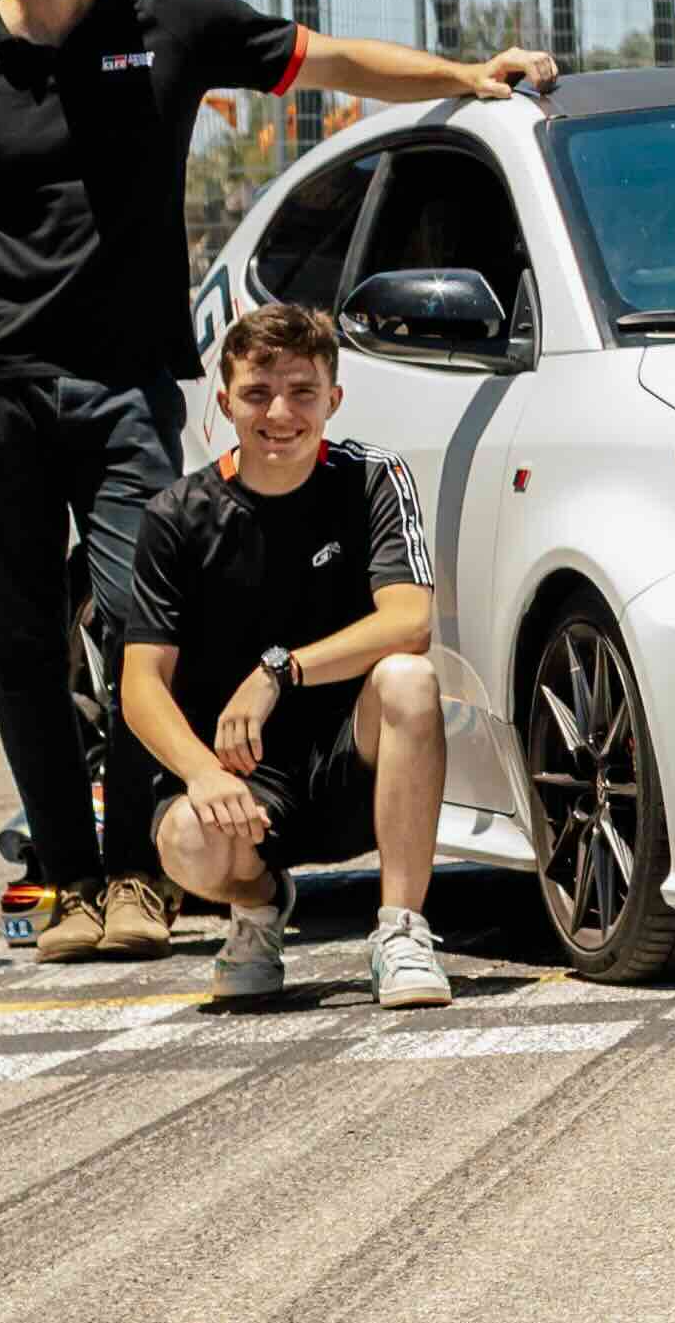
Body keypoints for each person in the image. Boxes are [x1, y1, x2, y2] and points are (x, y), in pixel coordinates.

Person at [0, 0, 550, 963]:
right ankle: (70, 878)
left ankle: (143, 873)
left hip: (132, 382)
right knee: (28, 643)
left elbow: (328, 61)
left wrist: (464, 77)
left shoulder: (169, 25)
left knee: (148, 629)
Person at [110, 297, 455, 1007]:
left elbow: (409, 620)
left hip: (353, 766)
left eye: (302, 393)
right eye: (258, 394)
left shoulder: (371, 479)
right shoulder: (176, 516)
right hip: (242, 782)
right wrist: (202, 774)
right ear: (226, 401)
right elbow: (141, 683)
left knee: (410, 681)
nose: (280, 414)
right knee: (183, 843)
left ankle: (401, 932)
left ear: (334, 398)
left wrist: (279, 670)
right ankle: (261, 907)